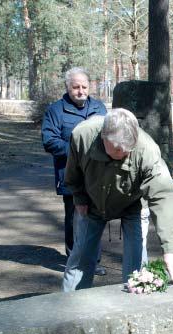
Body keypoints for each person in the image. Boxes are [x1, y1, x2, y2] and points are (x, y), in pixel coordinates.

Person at [62, 108, 173, 291]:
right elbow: (73, 171)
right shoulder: (83, 135)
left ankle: (135, 301)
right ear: (103, 136)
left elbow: (164, 195)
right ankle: (70, 306)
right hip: (92, 202)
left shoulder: (147, 150)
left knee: (136, 260)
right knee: (81, 256)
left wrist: (170, 250)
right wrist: (79, 197)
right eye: (118, 149)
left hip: (133, 205)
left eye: (128, 149)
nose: (123, 153)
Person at [42, 67, 108, 275]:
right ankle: (74, 260)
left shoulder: (99, 108)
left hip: (97, 174)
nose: (81, 91)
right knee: (75, 219)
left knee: (95, 216)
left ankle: (93, 262)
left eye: (84, 87)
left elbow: (109, 135)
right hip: (70, 174)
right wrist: (78, 152)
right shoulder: (55, 110)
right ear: (68, 88)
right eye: (76, 87)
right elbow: (49, 142)